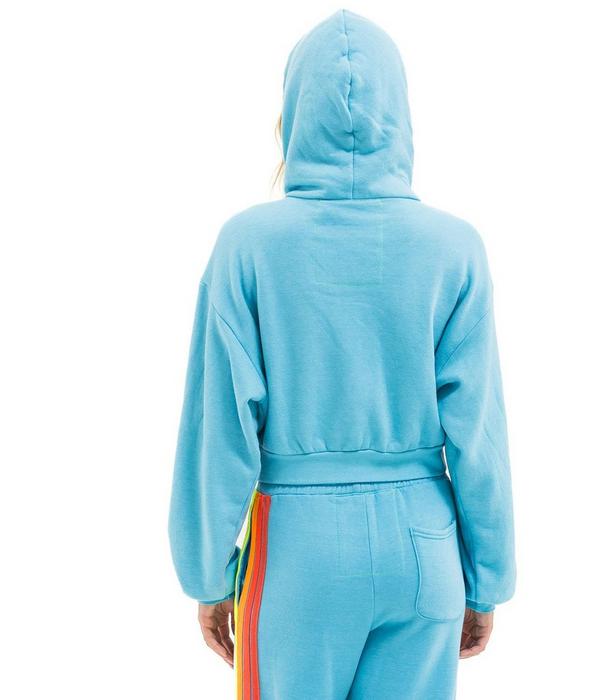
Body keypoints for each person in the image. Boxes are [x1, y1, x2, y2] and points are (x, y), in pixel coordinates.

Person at [168, 9, 516, 699]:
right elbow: (479, 434)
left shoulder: (249, 246)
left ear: (294, 111)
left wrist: (206, 574)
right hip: (426, 545)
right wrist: (487, 578)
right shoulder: (455, 249)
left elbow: (220, 428)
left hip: (298, 554)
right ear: (401, 113)